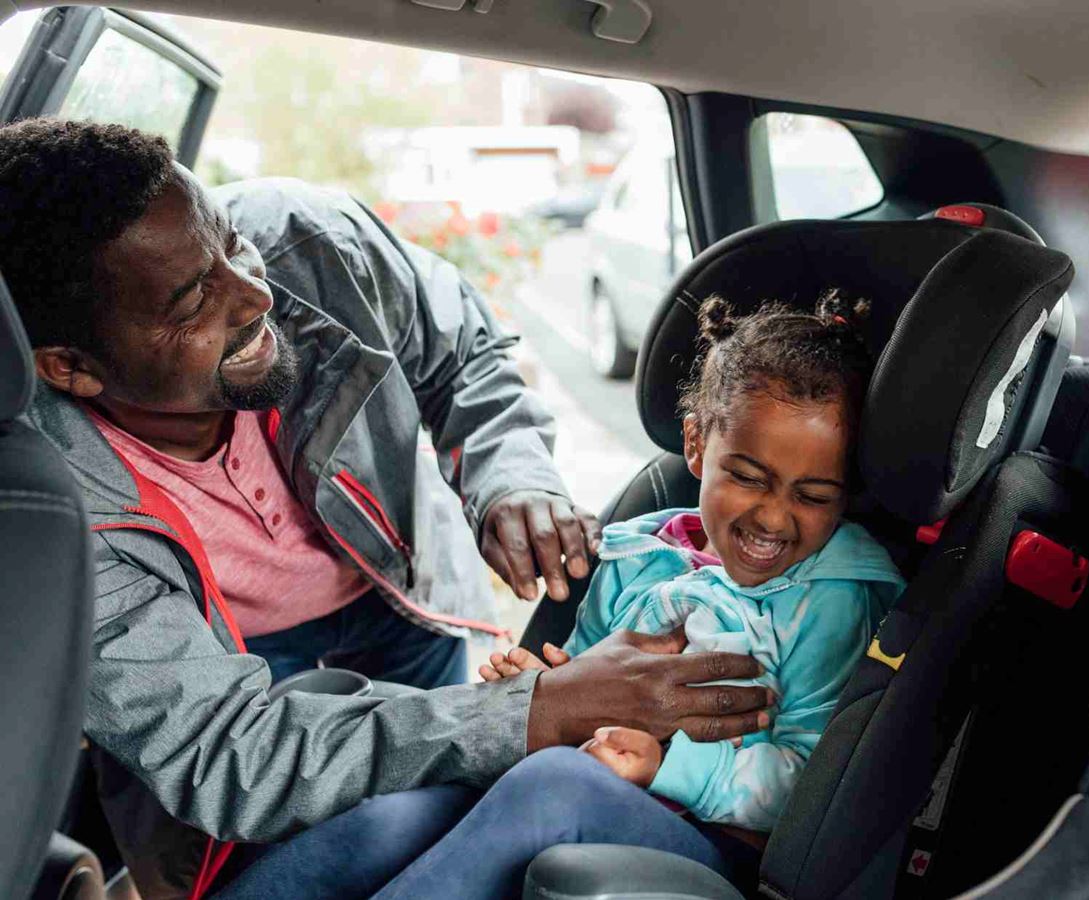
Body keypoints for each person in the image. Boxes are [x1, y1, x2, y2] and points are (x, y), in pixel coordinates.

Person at [0, 118, 771, 899]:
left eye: (230, 244)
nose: (256, 292)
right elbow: (231, 755)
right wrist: (535, 709)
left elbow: (466, 355)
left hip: (397, 601)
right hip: (225, 676)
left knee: (421, 809)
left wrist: (512, 477)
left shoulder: (313, 247)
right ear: (72, 367)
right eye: (194, 298)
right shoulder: (42, 510)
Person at [364, 292, 907, 898]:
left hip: (716, 847)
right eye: (749, 479)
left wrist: (667, 763)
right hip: (594, 786)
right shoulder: (636, 554)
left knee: (552, 785)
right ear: (697, 444)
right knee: (391, 814)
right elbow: (587, 674)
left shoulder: (833, 601)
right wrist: (538, 688)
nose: (774, 519)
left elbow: (809, 792)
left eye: (812, 497)